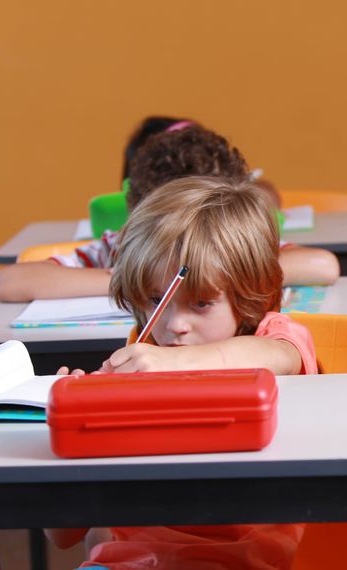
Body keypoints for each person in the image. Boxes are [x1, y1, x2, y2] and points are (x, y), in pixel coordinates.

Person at [48, 176, 317, 569]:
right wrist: (69, 432)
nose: (175, 324)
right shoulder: (137, 365)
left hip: (246, 561)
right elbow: (62, 536)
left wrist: (171, 364)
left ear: (251, 295)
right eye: (158, 300)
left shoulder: (273, 335)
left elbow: (277, 357)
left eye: (203, 303)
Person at [0, 125, 338, 302]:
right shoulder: (122, 248)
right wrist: (139, 280)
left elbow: (322, 265)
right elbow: (9, 282)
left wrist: (205, 276)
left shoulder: (235, 246)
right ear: (137, 211)